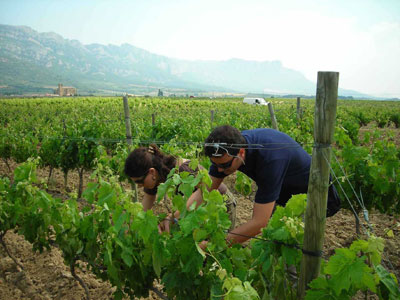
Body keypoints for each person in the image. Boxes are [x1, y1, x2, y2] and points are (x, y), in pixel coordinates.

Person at [182, 125, 341, 245]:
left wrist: (216, 245)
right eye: (214, 164)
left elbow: (259, 222)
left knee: (289, 247)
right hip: (285, 194)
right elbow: (205, 190)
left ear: (241, 154)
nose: (219, 170)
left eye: (224, 165)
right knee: (273, 240)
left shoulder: (269, 161)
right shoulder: (228, 151)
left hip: (313, 199)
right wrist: (176, 218)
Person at [124, 144, 235, 226]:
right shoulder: (157, 177)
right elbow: (145, 206)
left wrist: (172, 218)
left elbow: (204, 194)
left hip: (221, 203)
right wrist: (132, 226)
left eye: (140, 182)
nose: (139, 186)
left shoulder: (183, 170)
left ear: (152, 172)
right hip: (198, 208)